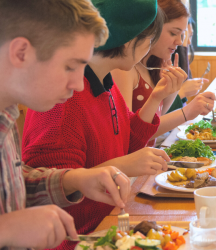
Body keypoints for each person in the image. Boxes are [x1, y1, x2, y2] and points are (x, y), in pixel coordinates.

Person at [21, 1, 177, 248]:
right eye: (148, 40)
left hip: (108, 225)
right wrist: (121, 165)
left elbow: (126, 141)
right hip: (79, 238)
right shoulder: (63, 98)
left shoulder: (106, 82)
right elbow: (49, 194)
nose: (148, 50)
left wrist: (156, 97)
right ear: (128, 39)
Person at [0, 0, 131, 249]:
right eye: (70, 66)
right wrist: (5, 229)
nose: (80, 84)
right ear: (21, 53)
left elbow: (11, 185)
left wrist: (73, 179)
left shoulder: (5, 113)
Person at [112, 0, 214, 147]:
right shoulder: (125, 68)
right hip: (135, 163)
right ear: (151, 27)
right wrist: (187, 112)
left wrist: (173, 89)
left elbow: (156, 118)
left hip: (148, 158)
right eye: (174, 33)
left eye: (183, 35)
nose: (179, 42)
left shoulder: (155, 64)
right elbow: (129, 135)